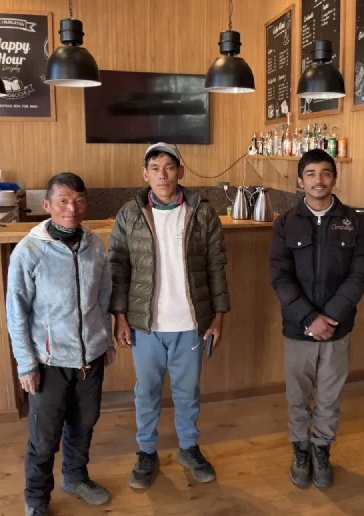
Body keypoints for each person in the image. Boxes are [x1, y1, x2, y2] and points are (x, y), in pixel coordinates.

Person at [109, 142, 229, 490]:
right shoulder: (129, 214)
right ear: (145, 174)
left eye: (169, 167)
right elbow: (118, 267)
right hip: (145, 325)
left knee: (187, 393)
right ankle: (147, 452)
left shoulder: (202, 213)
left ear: (180, 172)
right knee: (146, 392)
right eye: (155, 168)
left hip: (190, 324)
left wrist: (218, 316)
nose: (162, 174)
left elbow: (217, 266)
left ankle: (189, 448)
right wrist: (119, 316)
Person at [6, 173, 114, 516]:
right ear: (47, 205)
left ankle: (75, 477)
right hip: (48, 362)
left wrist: (107, 340)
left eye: (79, 200)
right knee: (44, 437)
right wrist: (26, 364)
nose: (72, 208)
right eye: (64, 200)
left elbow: (103, 299)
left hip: (90, 358)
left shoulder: (95, 245)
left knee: (84, 425)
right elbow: (17, 312)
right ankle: (37, 497)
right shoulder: (29, 251)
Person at [269, 149, 364, 489]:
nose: (319, 180)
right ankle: (300, 449)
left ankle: (321, 448)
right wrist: (309, 317)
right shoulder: (285, 223)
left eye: (326, 173)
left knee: (330, 394)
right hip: (298, 328)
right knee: (298, 395)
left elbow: (360, 273)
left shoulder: (353, 221)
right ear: (300, 181)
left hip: (337, 328)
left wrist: (330, 316)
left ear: (334, 178)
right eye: (311, 174)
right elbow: (280, 276)